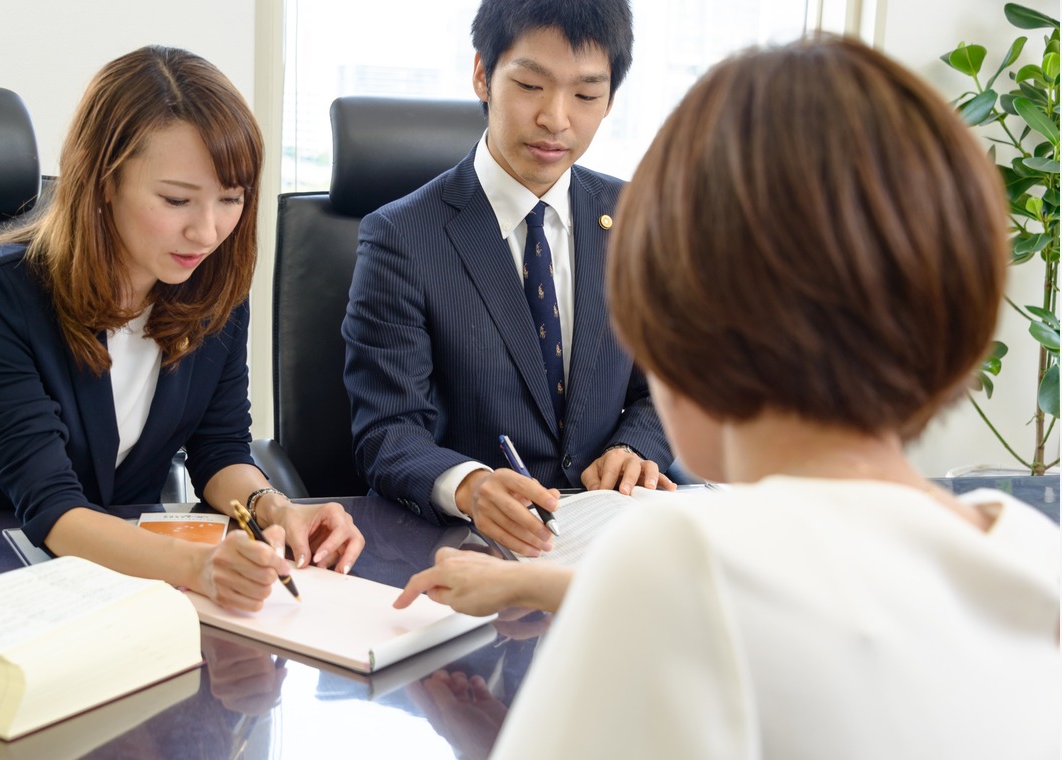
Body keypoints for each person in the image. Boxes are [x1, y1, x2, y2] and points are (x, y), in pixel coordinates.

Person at [403, 35, 1061, 759]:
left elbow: (708, 600)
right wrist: (548, 588)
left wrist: (475, 734)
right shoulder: (1030, 550)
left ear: (683, 306)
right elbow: (792, 613)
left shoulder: (681, 560)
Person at [0, 46, 363, 611]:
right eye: (176, 199)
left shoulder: (212, 287)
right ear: (104, 181)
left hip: (127, 576)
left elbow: (219, 450)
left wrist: (276, 507)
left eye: (230, 199)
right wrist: (197, 567)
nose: (207, 232)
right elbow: (52, 507)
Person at [342, 0, 674, 558]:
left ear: (611, 98)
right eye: (530, 86)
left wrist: (633, 447)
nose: (556, 119)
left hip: (610, 542)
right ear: (483, 75)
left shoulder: (639, 217)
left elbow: (666, 386)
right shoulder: (401, 237)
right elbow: (388, 431)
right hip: (467, 550)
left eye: (586, 95)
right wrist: (470, 486)